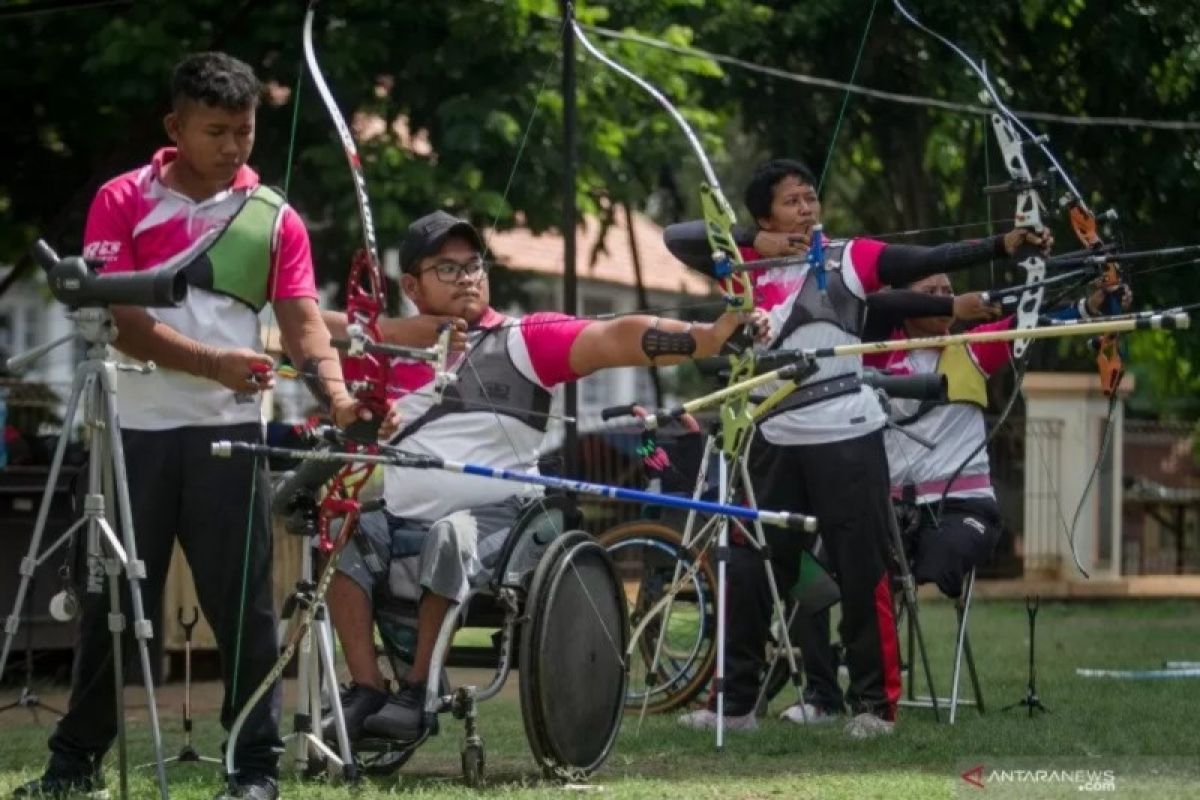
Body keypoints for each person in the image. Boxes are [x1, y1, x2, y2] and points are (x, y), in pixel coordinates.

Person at [17, 52, 371, 800]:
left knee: (242, 611)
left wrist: (337, 397)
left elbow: (303, 325)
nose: (234, 148)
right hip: (130, 433)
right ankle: (74, 764)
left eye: (244, 131)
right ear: (175, 127)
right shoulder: (122, 198)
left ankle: (254, 769)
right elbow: (122, 320)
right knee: (115, 607)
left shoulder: (275, 217)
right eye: (216, 131)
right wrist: (213, 362)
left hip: (230, 435)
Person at [321, 210, 769, 743]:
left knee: (451, 534)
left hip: (500, 528)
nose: (467, 276)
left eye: (474, 265)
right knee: (337, 531)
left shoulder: (520, 342)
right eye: (448, 268)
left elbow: (615, 335)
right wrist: (395, 336)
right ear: (412, 285)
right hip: (397, 525)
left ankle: (418, 692)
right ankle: (369, 688)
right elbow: (297, 325)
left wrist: (710, 337)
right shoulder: (386, 353)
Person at [662, 158, 1051, 738]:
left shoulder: (849, 256)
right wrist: (755, 241)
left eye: (811, 198)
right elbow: (677, 237)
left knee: (860, 564)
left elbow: (921, 262)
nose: (808, 209)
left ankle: (874, 704)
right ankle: (740, 704)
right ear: (765, 214)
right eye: (793, 201)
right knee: (760, 564)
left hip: (846, 433)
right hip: (774, 435)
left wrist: (1002, 243)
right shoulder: (743, 265)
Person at [788, 275, 1130, 722]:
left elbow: (1033, 324)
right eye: (929, 292)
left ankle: (867, 668)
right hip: (888, 510)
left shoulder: (973, 346)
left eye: (948, 290)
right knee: (804, 573)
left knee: (930, 564)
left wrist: (1090, 306)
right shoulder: (871, 350)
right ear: (903, 304)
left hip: (962, 510)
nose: (944, 298)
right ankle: (823, 694)